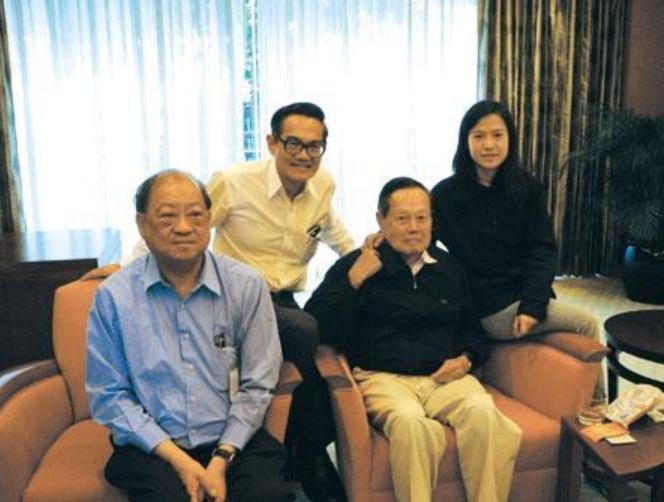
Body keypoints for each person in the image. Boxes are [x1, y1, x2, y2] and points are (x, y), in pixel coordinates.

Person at [87, 102, 352, 501]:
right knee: (304, 330)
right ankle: (308, 451)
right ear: (272, 143)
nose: (304, 154)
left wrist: (362, 256)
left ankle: (309, 447)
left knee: (313, 335)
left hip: (268, 301)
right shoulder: (233, 183)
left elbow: (331, 228)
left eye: (314, 146)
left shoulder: (322, 187)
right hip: (158, 443)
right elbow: (109, 395)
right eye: (293, 143)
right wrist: (127, 270)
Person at [305, 177, 523, 502]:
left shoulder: (449, 268)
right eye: (402, 218)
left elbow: (473, 331)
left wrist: (466, 359)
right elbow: (315, 324)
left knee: (484, 415)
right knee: (410, 424)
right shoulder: (357, 264)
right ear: (381, 220)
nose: (414, 228)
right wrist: (353, 281)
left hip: (444, 377)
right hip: (383, 377)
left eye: (422, 218)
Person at [86, 170, 292, 502]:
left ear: (210, 219)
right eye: (167, 216)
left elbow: (258, 382)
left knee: (266, 494)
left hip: (230, 441)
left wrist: (221, 459)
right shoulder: (114, 297)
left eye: (195, 215)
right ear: (142, 225)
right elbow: (109, 395)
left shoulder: (245, 285)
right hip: (154, 448)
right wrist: (180, 461)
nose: (183, 227)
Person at [430, 100, 604, 397]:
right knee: (587, 323)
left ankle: (572, 398)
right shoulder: (446, 194)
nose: (489, 145)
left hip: (522, 296)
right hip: (488, 306)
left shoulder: (526, 187)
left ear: (510, 138)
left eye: (497, 135)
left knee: (566, 328)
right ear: (465, 141)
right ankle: (598, 409)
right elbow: (419, 236)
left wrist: (532, 305)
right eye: (479, 136)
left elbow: (542, 249)